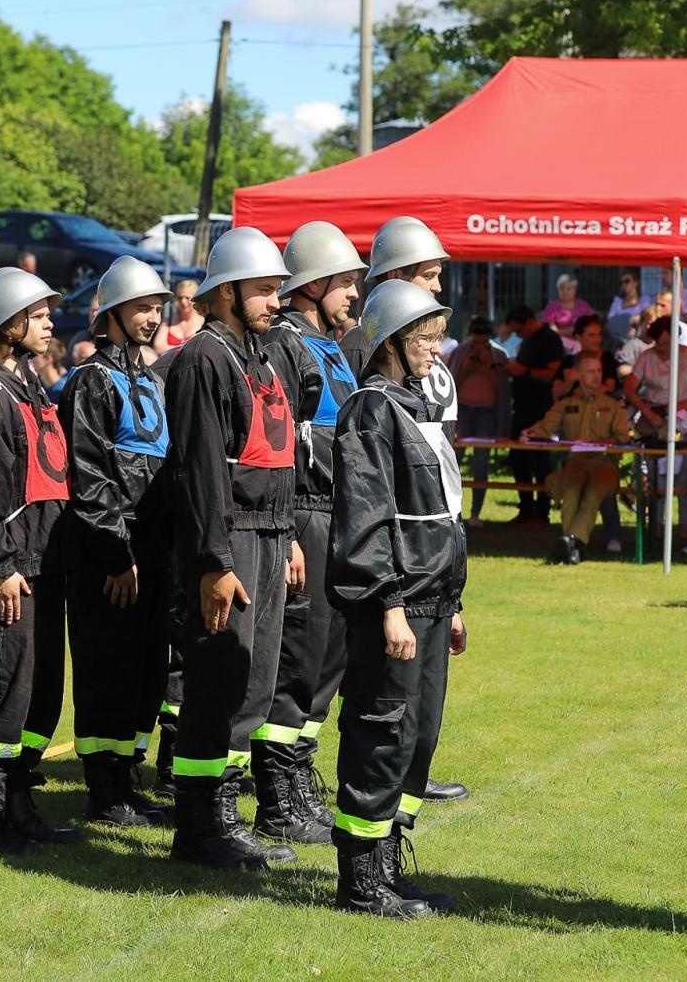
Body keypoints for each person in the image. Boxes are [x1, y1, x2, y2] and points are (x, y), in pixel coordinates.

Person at [328, 278, 467, 919]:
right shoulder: (369, 409)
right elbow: (367, 515)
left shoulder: (415, 406)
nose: (436, 350)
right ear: (389, 341)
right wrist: (388, 603)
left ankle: (390, 864)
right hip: (397, 601)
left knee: (418, 734)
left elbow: (438, 510)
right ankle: (361, 881)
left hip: (433, 598)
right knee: (380, 731)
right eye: (424, 338)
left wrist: (452, 601)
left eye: (438, 337)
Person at [163, 227, 299, 872]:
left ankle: (225, 815)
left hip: (269, 533)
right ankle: (196, 827)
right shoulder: (203, 359)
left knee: (252, 683)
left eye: (279, 289)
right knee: (216, 680)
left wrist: (289, 530)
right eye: (266, 290)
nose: (277, 301)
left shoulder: (261, 355)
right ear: (224, 293)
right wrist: (213, 562)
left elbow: (278, 455)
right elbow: (198, 471)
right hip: (229, 539)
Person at [252, 221, 366, 846]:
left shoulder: (335, 348)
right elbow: (284, 444)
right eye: (344, 282)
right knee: (299, 655)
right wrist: (290, 529)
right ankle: (276, 797)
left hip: (339, 515)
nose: (354, 293)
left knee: (328, 658)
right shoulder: (288, 347)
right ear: (313, 284)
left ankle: (300, 776)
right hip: (306, 514)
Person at [0, 267, 82, 852]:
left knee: (42, 691)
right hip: (15, 568)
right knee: (4, 689)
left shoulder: (33, 386)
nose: (49, 323)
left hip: (48, 565)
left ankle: (20, 798)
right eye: (38, 315)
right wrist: (2, 564)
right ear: (8, 325)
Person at [60, 257, 175, 829]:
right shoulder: (91, 381)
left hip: (152, 552)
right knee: (109, 667)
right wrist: (116, 553)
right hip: (111, 554)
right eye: (140, 307)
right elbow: (88, 473)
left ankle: (128, 781)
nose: (151, 317)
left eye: (156, 307)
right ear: (112, 313)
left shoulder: (152, 380)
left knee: (147, 670)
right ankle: (104, 791)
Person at [521, 352, 630, 564]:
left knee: (593, 492)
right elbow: (546, 427)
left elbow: (623, 438)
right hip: (576, 463)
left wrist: (606, 443)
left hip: (604, 464)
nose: (596, 376)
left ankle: (570, 543)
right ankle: (573, 547)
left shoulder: (613, 403)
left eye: (599, 371)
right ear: (578, 374)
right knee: (570, 492)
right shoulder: (565, 403)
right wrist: (530, 433)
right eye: (590, 371)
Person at [624, 314, 687, 549]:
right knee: (656, 477)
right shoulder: (646, 357)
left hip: (686, 420)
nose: (662, 348)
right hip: (655, 420)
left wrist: (686, 405)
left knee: (685, 477)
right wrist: (647, 412)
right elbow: (630, 388)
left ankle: (684, 532)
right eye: (658, 343)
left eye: (666, 343)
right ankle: (657, 530)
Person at [502, 305, 567, 526]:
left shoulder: (550, 339)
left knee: (540, 461)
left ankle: (542, 512)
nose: (518, 335)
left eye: (519, 331)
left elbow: (555, 374)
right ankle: (526, 508)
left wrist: (525, 372)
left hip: (540, 409)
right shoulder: (529, 340)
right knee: (517, 458)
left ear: (530, 322)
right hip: (522, 407)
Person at [448, 316, 510, 527]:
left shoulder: (499, 355)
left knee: (480, 463)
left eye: (484, 343)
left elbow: (502, 388)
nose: (479, 347)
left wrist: (488, 366)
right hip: (463, 411)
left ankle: (476, 514)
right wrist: (469, 368)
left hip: (487, 413)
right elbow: (452, 382)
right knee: (453, 460)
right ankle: (450, 511)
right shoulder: (460, 352)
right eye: (475, 342)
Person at [541, 273, 594, 347]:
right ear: (558, 290)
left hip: (583, 343)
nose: (565, 291)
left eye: (568, 288)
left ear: (575, 290)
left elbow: (592, 322)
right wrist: (568, 331)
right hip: (561, 344)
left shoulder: (582, 305)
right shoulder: (552, 307)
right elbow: (550, 330)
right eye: (561, 288)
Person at [154, 278, 203, 354]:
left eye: (187, 298)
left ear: (195, 298)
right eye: (180, 298)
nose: (183, 302)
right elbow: (158, 347)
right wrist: (187, 350)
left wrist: (170, 348)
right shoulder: (168, 321)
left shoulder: (203, 323)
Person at [605, 271, 651, 351]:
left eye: (627, 281)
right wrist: (631, 320)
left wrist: (622, 321)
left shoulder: (644, 300)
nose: (624, 284)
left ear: (636, 282)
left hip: (640, 343)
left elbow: (646, 317)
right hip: (620, 344)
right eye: (621, 282)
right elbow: (611, 322)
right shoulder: (617, 302)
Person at [661, 263, 687, 331]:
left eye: (666, 273)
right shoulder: (662, 295)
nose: (662, 276)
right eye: (662, 273)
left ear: (676, 274)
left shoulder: (686, 295)